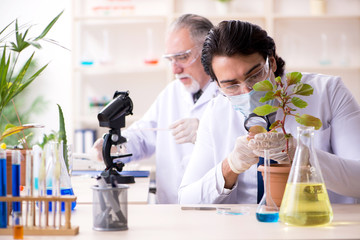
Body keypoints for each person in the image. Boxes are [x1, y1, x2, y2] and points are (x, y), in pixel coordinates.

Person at [178, 20, 360, 204]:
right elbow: (186, 199)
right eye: (231, 85)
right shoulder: (216, 112)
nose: (247, 92)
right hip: (245, 228)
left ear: (271, 62)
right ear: (217, 85)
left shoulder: (328, 92)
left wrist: (302, 154)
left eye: (255, 75)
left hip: (317, 223)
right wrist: (229, 167)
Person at [92, 14, 218, 204]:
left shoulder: (229, 96)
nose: (175, 69)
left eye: (182, 57)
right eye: (170, 60)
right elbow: (143, 136)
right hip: (170, 207)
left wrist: (207, 132)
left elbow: (243, 152)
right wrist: (116, 146)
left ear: (208, 52)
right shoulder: (172, 93)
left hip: (215, 208)